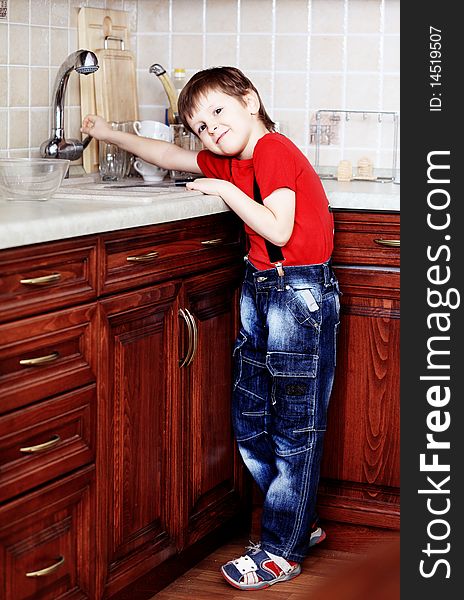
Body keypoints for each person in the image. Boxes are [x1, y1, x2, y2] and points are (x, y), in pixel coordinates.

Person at [81, 66, 340, 592]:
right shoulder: (230, 158)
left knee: (295, 430)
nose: (211, 129)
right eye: (200, 126)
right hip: (262, 288)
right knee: (250, 421)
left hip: (299, 294)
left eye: (218, 112)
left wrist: (223, 189)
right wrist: (107, 133)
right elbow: (168, 156)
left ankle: (281, 549)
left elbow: (278, 228)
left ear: (250, 100)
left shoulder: (272, 150)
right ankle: (296, 522)